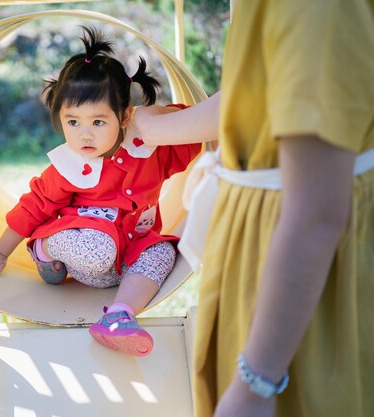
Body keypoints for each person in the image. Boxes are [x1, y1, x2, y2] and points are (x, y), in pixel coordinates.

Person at [134, 0, 374, 416]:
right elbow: (251, 94)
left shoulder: (312, 9)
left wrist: (257, 383)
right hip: (261, 238)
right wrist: (150, 126)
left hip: (291, 256)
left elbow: (316, 211)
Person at [0, 26, 203, 357]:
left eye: (97, 122)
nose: (84, 135)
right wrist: (0, 253)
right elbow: (33, 206)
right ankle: (46, 251)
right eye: (73, 122)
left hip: (124, 259)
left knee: (164, 251)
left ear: (124, 117)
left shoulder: (148, 150)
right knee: (100, 246)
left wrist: (153, 118)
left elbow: (193, 126)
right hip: (86, 243)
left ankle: (119, 315)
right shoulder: (69, 166)